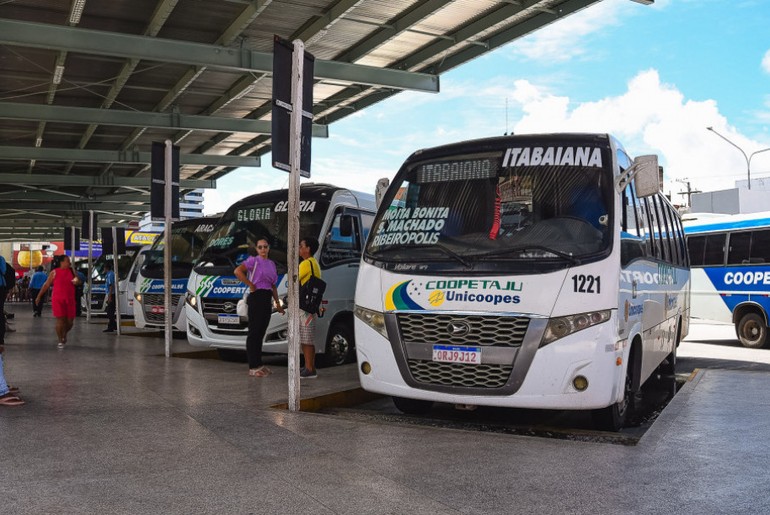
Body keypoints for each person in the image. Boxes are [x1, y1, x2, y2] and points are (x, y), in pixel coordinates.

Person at [234, 238, 284, 377]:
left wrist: (277, 304)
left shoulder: (271, 264)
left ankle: (259, 364)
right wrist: (250, 284)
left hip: (267, 297)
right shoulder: (253, 261)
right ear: (256, 249)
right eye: (260, 247)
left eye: (265, 247)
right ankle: (253, 366)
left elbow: (273, 286)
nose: (263, 249)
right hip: (256, 297)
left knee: (261, 331)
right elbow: (237, 271)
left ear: (268, 248)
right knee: (254, 332)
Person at [35, 255, 81, 348]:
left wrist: (77, 281)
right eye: (67, 261)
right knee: (60, 320)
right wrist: (39, 296)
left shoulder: (72, 271)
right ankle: (60, 340)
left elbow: (78, 281)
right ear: (62, 262)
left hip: (70, 299)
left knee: (70, 322)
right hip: (58, 299)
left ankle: (64, 333)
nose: (69, 263)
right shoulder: (54, 272)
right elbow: (46, 284)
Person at [298, 237, 322, 379]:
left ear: (308, 249)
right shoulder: (314, 263)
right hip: (311, 305)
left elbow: (294, 279)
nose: (299, 248)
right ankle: (310, 366)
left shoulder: (306, 264)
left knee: (306, 339)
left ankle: (309, 369)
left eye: (301, 246)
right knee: (307, 338)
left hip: (305, 307)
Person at [103, 262, 117, 333]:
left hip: (112, 294)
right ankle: (112, 326)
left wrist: (110, 297)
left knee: (109, 312)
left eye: (104, 268)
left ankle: (113, 326)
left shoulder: (110, 274)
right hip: (110, 294)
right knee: (110, 311)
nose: (103, 269)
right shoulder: (109, 274)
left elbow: (111, 286)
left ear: (106, 268)